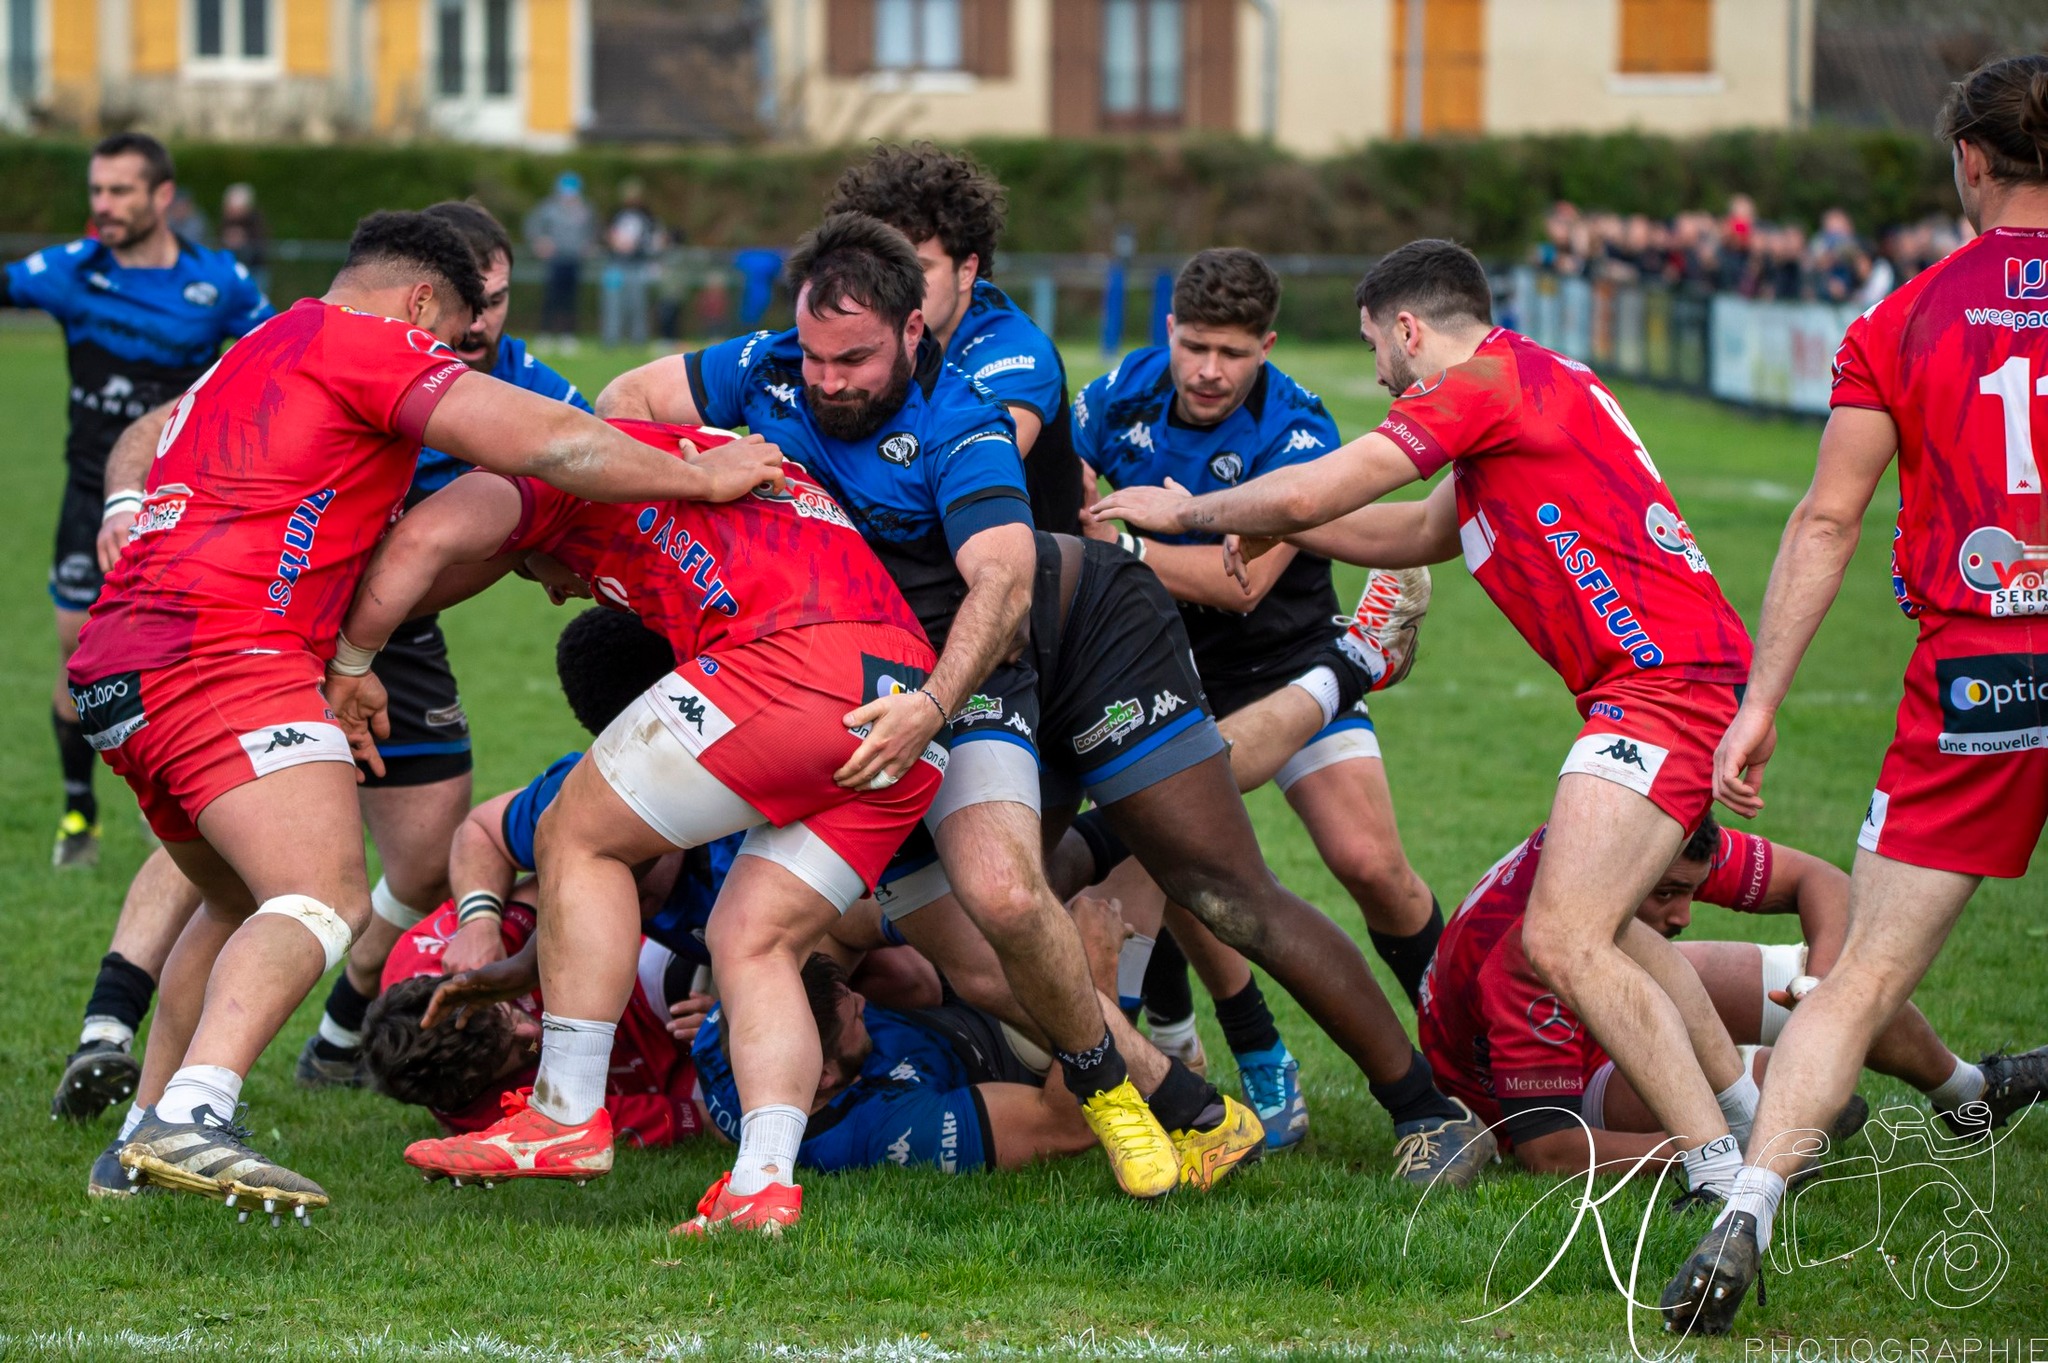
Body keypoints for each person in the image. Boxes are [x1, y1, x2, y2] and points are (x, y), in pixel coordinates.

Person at [598, 213, 1488, 1196]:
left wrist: (932, 705)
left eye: (853, 356)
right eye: (813, 355)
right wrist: (697, 471)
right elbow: (621, 399)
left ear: (918, 322)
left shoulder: (965, 409)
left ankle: (1423, 1110)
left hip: (1066, 637)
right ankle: (1181, 1105)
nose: (827, 380)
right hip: (917, 680)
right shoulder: (765, 367)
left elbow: (1004, 582)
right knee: (992, 933)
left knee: (1217, 887)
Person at [69, 209, 784, 1221]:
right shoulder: (369, 341)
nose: (447, 356)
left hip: (121, 663)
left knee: (235, 899)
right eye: (448, 335)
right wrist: (697, 471)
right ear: (416, 304)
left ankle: (140, 1133)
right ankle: (200, 1104)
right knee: (322, 900)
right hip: (224, 652)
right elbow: (549, 443)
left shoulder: (263, 342)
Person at [1093, 238, 1760, 1208]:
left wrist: (1186, 511)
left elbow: (1319, 486)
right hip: (1663, 680)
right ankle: (1746, 1119)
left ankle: (1720, 1175)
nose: (1376, 372)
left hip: (1659, 686)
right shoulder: (1532, 380)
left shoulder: (1477, 385)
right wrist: (1278, 524)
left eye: (1375, 348)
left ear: (1407, 329)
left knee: (1563, 939)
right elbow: (1413, 532)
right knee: (1600, 926)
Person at [323, 418, 954, 1235]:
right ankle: (762, 1183)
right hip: (905, 697)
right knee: (751, 940)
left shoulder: (542, 462)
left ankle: (564, 1111)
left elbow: (428, 538)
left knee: (573, 834)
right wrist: (527, 963)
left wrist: (347, 663)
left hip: (802, 664)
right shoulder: (655, 451)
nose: (550, 589)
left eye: (525, 570)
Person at [1661, 55, 2048, 1335]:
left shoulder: (1907, 316)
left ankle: (1748, 1206)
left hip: (1979, 674)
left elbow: (1827, 519)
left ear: (1969, 165)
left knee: (1863, 976)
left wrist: (1760, 699)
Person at [1075, 246, 1441, 1145]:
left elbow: (1238, 586)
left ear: (1266, 347)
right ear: (1169, 331)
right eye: (1194, 345)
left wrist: (1127, 542)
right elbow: (1071, 503)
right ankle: (1254, 1054)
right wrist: (1131, 540)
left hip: (1280, 662)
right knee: (1180, 858)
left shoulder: (1298, 430)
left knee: (1373, 869)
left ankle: (1472, 1045)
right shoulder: (1118, 394)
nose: (1207, 371)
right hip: (1161, 669)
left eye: (1232, 353)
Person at [294, 199, 597, 1089]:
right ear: (429, 299)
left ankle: (341, 1034)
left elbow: (598, 448)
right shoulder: (346, 354)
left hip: (398, 633)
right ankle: (119, 1033)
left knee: (427, 855)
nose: (488, 320)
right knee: (231, 854)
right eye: (474, 300)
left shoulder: (529, 382)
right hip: (291, 612)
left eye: (501, 298)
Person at [1419, 816, 2020, 1177]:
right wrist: (1712, 1151)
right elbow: (1548, 1151)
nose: (1682, 915)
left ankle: (1969, 1093)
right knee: (1781, 1104)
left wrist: (1818, 998)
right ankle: (1745, 1141)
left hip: (1601, 960)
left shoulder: (1645, 831)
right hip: (1552, 1074)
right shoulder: (1527, 956)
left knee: (1836, 987)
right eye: (1667, 895)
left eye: (1692, 892)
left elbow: (1821, 884)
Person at [1, 132, 272, 872]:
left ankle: (189, 826)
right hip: (89, 496)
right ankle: (78, 809)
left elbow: (279, 359)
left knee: (183, 662)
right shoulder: (69, 272)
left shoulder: (217, 283)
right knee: (75, 659)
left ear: (162, 197)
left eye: (120, 191)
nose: (104, 205)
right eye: (97, 190)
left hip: (189, 504)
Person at [824, 142, 1088, 533]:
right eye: (880, 269)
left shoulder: (1016, 354)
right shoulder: (859, 331)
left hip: (1029, 577)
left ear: (966, 271)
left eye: (919, 268)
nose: (894, 289)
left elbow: (973, 469)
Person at [365, 897, 712, 1153]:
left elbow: (558, 888)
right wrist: (725, 1034)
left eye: (509, 1013)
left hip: (635, 979)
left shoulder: (439, 953)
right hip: (663, 1070)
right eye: (517, 1054)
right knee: (733, 1090)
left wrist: (479, 919)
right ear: (475, 1086)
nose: (532, 1032)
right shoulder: (498, 1119)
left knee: (704, 947)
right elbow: (705, 1120)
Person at [525, 172, 594, 347]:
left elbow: (593, 231)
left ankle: (567, 335)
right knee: (551, 298)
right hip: (555, 260)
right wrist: (540, 241)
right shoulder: (548, 208)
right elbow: (533, 226)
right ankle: (545, 333)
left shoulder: (585, 209)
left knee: (570, 299)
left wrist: (588, 244)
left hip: (574, 260)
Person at [600, 178, 661, 348]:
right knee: (612, 304)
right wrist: (614, 241)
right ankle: (610, 340)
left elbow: (653, 239)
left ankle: (638, 340)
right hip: (615, 265)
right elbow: (605, 234)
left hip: (637, 265)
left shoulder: (647, 217)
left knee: (638, 304)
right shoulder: (615, 214)